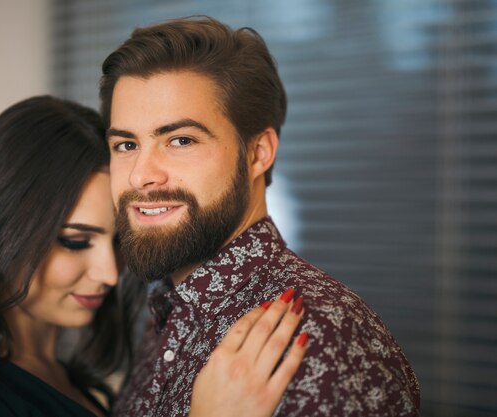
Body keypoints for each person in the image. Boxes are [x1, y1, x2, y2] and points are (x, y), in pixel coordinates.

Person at [0, 96, 308, 417]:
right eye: (74, 241)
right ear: (1, 233)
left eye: (118, 242)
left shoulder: (68, 379)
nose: (108, 274)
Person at [100, 16, 421, 417]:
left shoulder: (314, 340)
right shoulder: (166, 314)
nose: (141, 175)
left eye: (180, 140)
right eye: (126, 144)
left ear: (258, 152)